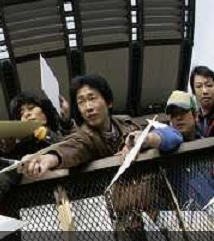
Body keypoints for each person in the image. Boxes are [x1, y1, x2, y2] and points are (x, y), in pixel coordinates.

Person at [18, 74, 183, 178]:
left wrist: (146, 139)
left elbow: (175, 135)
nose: (88, 107)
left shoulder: (129, 123)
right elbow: (72, 149)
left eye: (92, 98)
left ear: (109, 102)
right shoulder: (85, 137)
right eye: (81, 102)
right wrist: (48, 158)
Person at [0, 89, 66, 210]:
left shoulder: (66, 130)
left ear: (45, 112)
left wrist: (45, 134)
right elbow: (6, 172)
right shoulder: (22, 150)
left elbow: (72, 148)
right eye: (21, 113)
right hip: (41, 210)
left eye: (31, 108)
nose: (26, 114)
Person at [189, 65, 214, 138]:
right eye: (199, 86)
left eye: (209, 85)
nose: (205, 91)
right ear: (193, 91)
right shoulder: (192, 121)